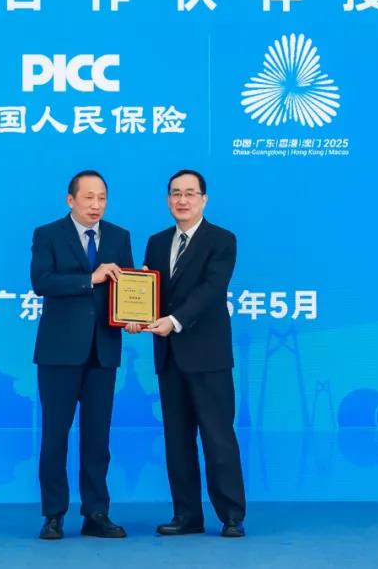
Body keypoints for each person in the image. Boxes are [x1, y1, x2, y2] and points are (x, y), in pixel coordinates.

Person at [129, 169, 246, 538]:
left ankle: (231, 515)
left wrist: (175, 320)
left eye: (190, 193)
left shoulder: (222, 240)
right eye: (176, 193)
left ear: (204, 199)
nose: (182, 200)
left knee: (217, 437)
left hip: (208, 356)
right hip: (169, 356)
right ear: (168, 200)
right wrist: (136, 315)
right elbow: (150, 291)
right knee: (177, 440)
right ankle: (187, 515)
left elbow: (211, 290)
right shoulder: (156, 242)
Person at [30, 170, 134, 540]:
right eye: (89, 197)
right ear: (70, 199)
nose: (96, 205)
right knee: (55, 437)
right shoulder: (48, 234)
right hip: (59, 353)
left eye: (102, 198)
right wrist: (91, 278)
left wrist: (134, 314)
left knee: (97, 438)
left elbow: (127, 288)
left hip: (103, 351)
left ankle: (96, 513)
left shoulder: (119, 236)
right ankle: (53, 515)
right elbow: (42, 282)